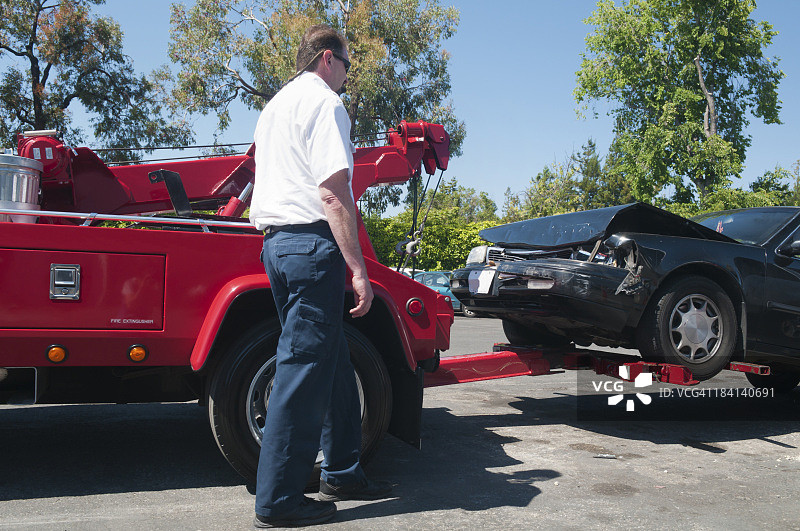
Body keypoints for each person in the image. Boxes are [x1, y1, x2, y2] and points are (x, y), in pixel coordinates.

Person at [248, 24, 392, 528]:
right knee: (303, 370)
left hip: (277, 246)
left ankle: (344, 471)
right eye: (348, 67)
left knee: (330, 360)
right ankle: (278, 501)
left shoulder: (274, 107)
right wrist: (358, 268)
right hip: (311, 246)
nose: (347, 79)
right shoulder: (324, 102)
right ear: (328, 59)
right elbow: (333, 193)